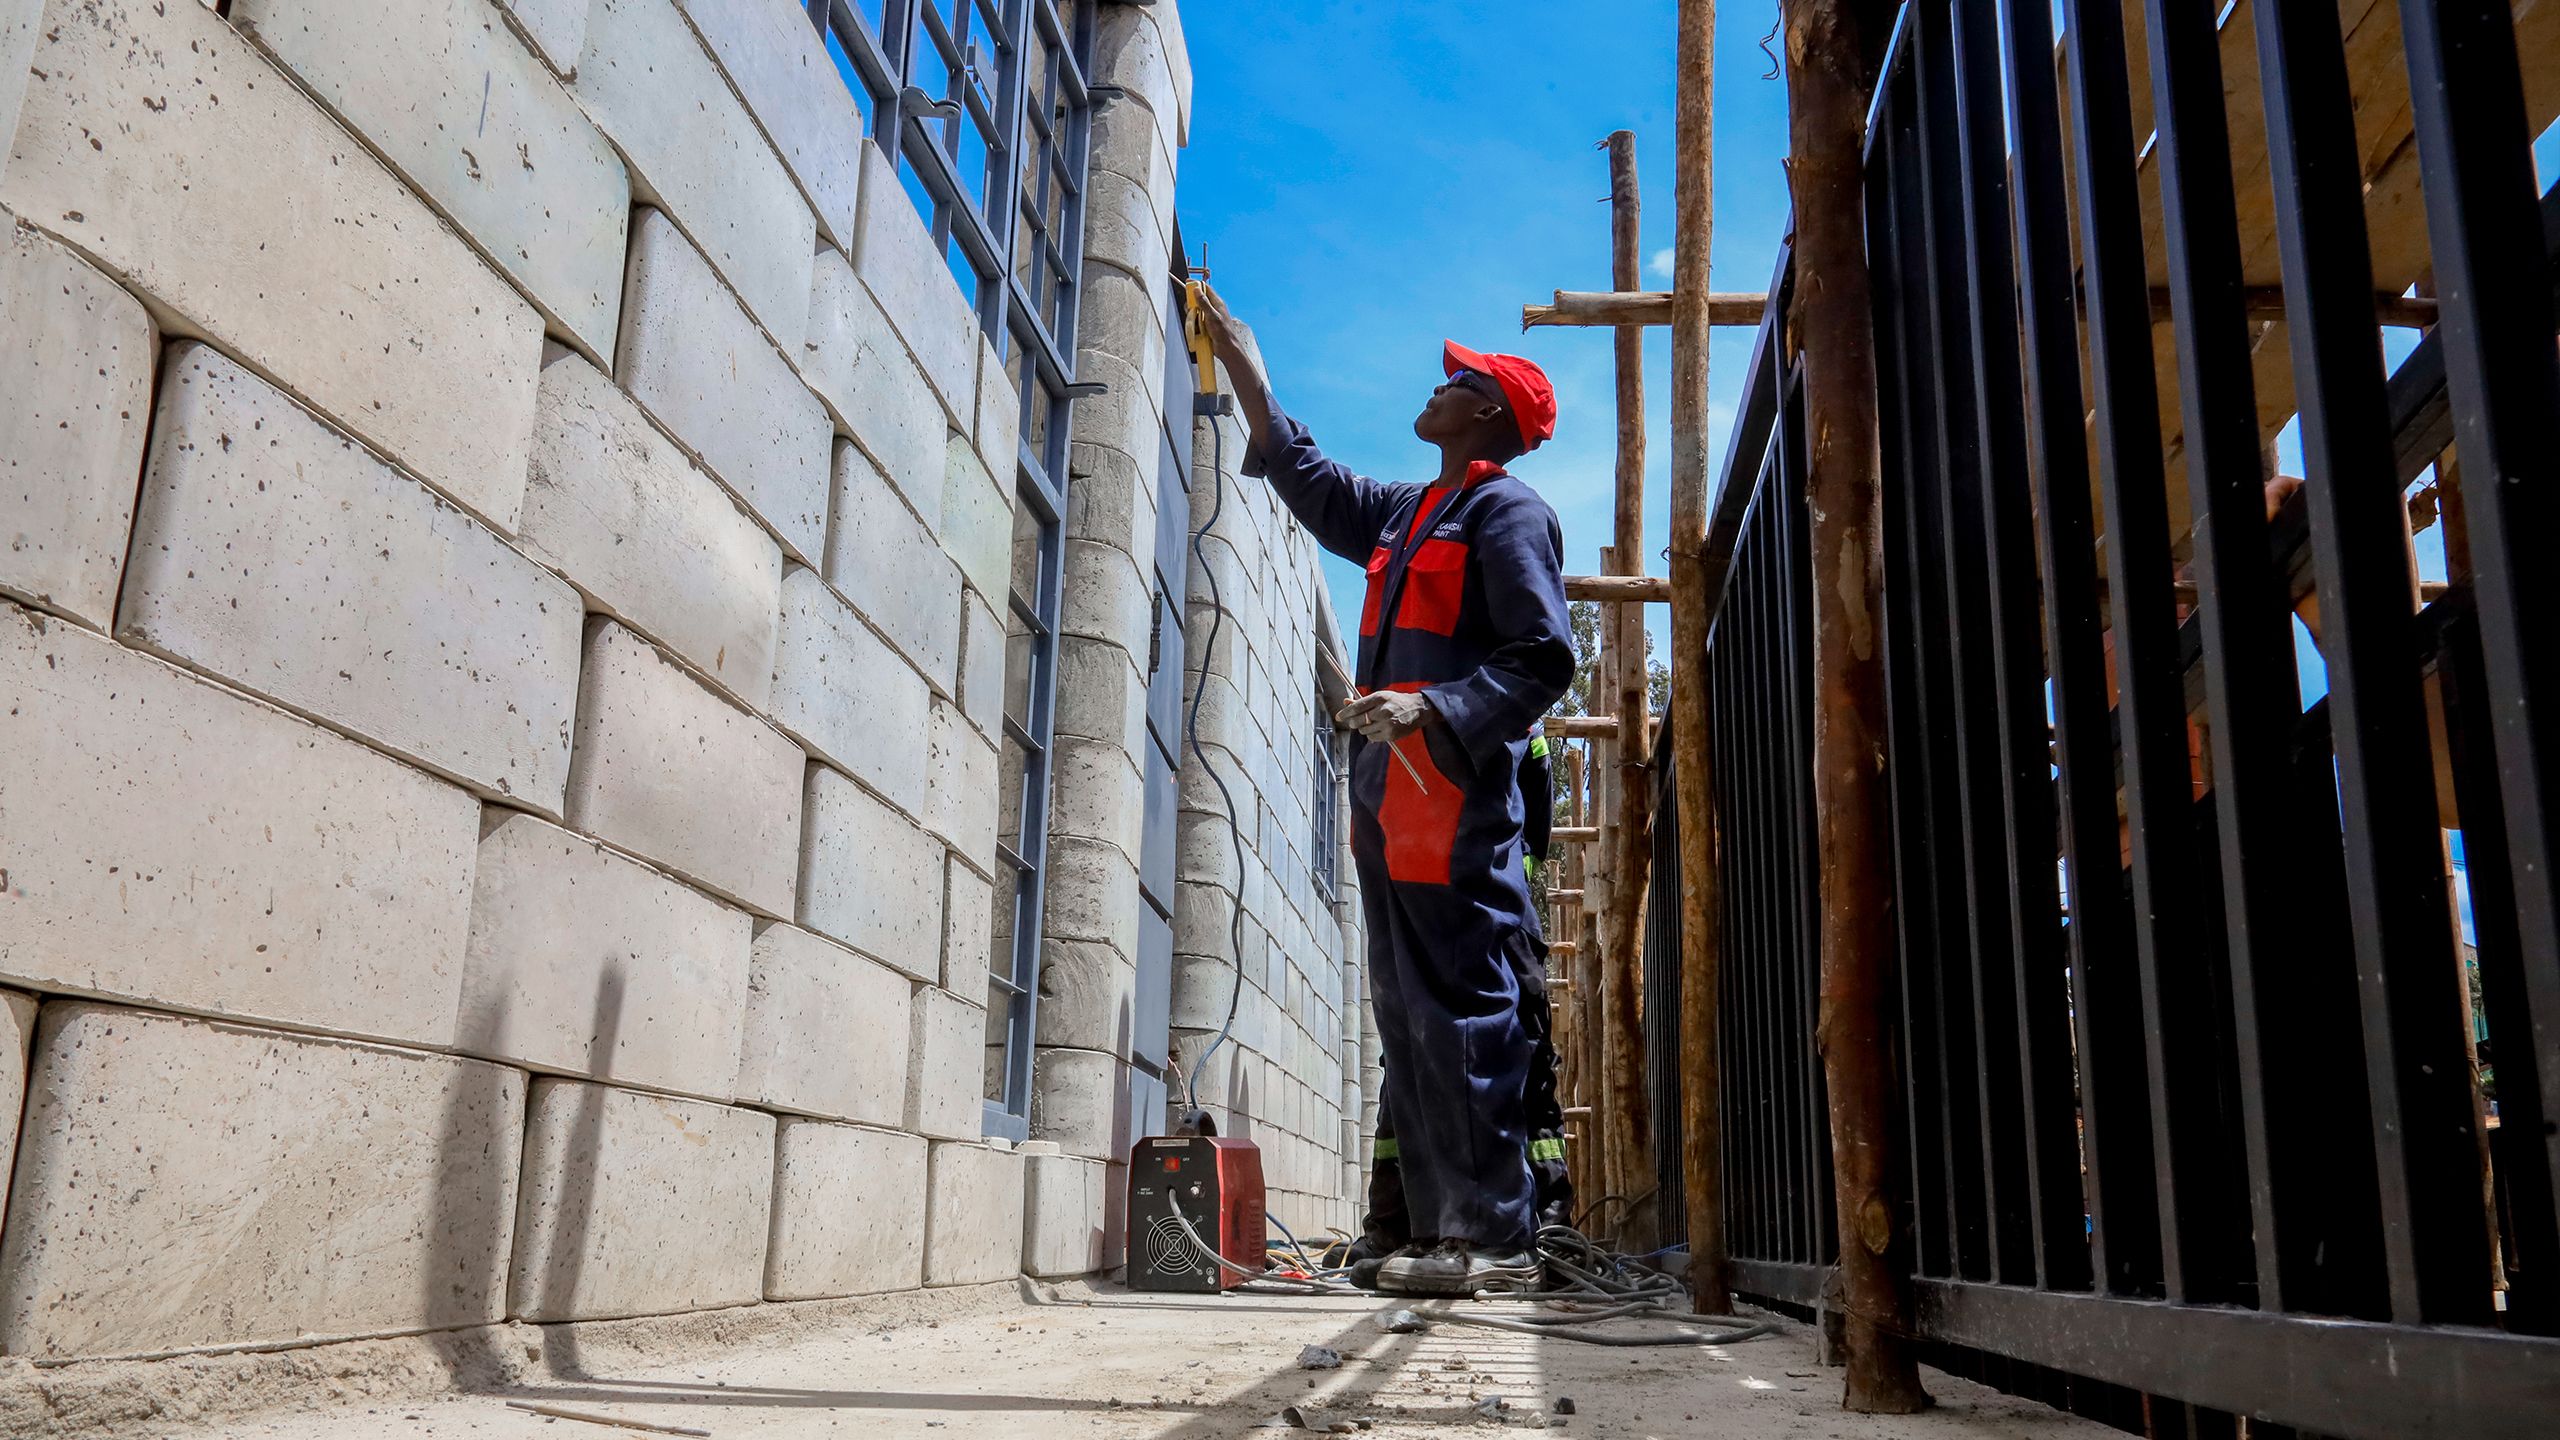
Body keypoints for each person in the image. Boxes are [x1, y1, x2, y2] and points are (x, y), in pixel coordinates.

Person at [1194, 288, 1574, 1296]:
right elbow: (1313, 484)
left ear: (1490, 413)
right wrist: (1249, 370)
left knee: (1465, 1012)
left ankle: (1492, 1242)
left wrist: (1436, 709)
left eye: (1457, 383)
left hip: (1453, 804)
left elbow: (1542, 658)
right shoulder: (1409, 515)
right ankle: (1419, 1233)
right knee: (1408, 1016)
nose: (1436, 388)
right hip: (1388, 807)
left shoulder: (1508, 513)